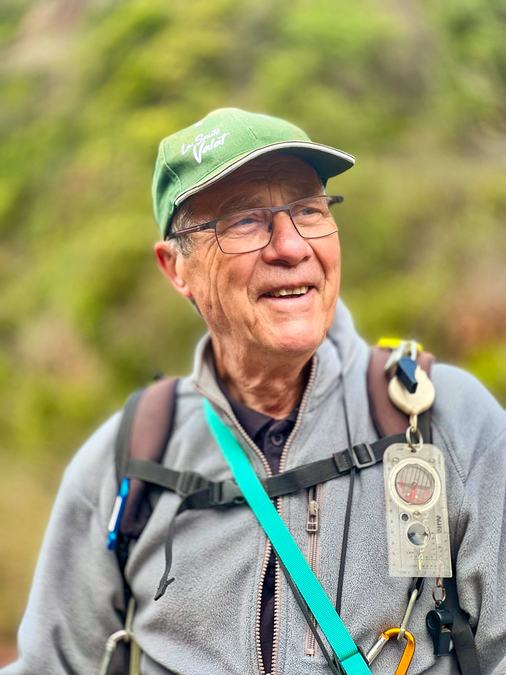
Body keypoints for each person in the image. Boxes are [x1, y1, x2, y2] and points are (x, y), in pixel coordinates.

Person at [4, 108, 505, 675]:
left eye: (309, 211)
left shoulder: (448, 423)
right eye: (245, 221)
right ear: (176, 269)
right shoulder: (130, 462)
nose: (290, 247)